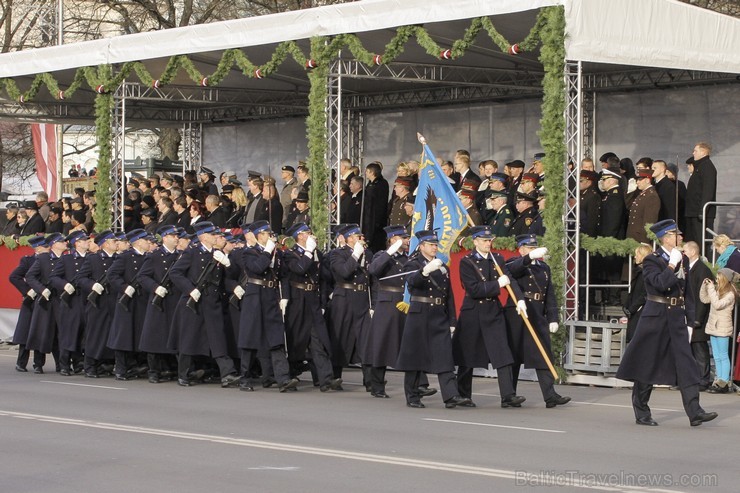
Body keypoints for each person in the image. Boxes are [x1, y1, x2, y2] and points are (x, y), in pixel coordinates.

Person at [616, 219, 717, 427]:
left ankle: (695, 411)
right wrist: (671, 264)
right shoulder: (652, 260)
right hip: (656, 316)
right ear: (666, 237)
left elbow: (687, 292)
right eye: (676, 235)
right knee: (647, 363)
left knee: (686, 364)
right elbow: (660, 284)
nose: (681, 238)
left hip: (676, 317)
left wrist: (691, 320)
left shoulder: (683, 259)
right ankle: (641, 410)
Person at [395, 230, 471, 409]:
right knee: (415, 356)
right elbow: (412, 283)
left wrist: (452, 320)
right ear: (421, 246)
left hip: (438, 314)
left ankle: (450, 395)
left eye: (435, 244)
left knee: (444, 355)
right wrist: (424, 271)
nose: (434, 247)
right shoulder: (412, 263)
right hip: (420, 313)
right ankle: (412, 395)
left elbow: (449, 295)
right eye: (430, 244)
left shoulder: (442, 266)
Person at [453, 226, 526, 408]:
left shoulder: (497, 259)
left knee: (503, 352)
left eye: (489, 240)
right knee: (467, 355)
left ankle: (508, 395)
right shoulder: (467, 261)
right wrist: (496, 284)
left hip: (493, 310)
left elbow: (510, 280)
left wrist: (520, 300)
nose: (488, 243)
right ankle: (463, 395)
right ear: (475, 241)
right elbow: (473, 289)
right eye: (484, 240)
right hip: (474, 311)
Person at [169, 221, 241, 388]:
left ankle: (227, 373)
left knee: (218, 338)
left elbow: (225, 278)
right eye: (212, 234)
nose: (216, 237)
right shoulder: (192, 252)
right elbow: (176, 273)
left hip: (212, 301)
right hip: (194, 301)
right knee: (189, 338)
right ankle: (184, 374)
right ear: (203, 236)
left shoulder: (217, 254)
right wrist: (190, 289)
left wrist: (228, 264)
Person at [506, 235, 571, 409]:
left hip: (537, 312)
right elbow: (511, 270)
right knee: (515, 354)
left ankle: (550, 395)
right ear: (521, 249)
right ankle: (510, 395)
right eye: (528, 247)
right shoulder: (514, 263)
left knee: (543, 353)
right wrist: (528, 258)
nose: (533, 249)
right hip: (519, 312)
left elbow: (549, 295)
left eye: (534, 247)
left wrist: (553, 318)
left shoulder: (544, 268)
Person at [235, 220, 299, 392]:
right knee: (249, 338)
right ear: (257, 236)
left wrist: (284, 296)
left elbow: (283, 275)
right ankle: (245, 377)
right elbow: (257, 267)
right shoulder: (249, 253)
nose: (269, 236)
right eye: (265, 234)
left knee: (276, 338)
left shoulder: (274, 253)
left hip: (270, 296)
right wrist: (268, 251)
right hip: (255, 296)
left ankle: (283, 378)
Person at [281, 223, 341, 392]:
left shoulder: (316, 253)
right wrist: (308, 252)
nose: (311, 235)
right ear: (299, 236)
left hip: (313, 299)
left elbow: (322, 279)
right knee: (296, 339)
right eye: (307, 233)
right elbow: (299, 269)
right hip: (297, 300)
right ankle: (290, 375)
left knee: (318, 339)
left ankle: (326, 379)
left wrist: (322, 302)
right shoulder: (290, 254)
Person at [137, 225, 181, 383]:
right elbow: (142, 277)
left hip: (174, 299)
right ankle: (154, 370)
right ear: (165, 238)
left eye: (177, 236)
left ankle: (173, 368)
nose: (176, 238)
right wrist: (155, 287)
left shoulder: (180, 256)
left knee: (173, 334)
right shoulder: (155, 256)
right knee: (154, 336)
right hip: (159, 301)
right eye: (173, 235)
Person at [328, 224, 371, 382]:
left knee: (365, 339)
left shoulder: (367, 253)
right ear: (346, 239)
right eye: (354, 236)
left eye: (359, 236)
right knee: (340, 336)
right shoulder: (337, 254)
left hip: (362, 298)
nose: (358, 239)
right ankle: (335, 376)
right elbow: (344, 271)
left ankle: (370, 380)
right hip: (344, 298)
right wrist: (356, 255)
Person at [107, 229, 151, 380]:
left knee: (139, 333)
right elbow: (112, 275)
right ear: (138, 241)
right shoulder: (125, 257)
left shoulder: (148, 257)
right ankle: (121, 368)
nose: (148, 243)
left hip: (142, 300)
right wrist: (124, 287)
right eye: (146, 240)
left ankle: (136, 366)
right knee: (123, 335)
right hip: (128, 301)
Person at [77, 230, 118, 378]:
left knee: (111, 333)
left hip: (114, 301)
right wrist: (92, 285)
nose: (117, 243)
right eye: (114, 241)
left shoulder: (118, 258)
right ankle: (90, 366)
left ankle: (106, 364)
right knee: (95, 335)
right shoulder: (93, 259)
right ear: (105, 243)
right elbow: (80, 278)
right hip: (98, 303)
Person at [50, 230, 90, 375]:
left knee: (84, 333)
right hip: (72, 301)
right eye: (84, 240)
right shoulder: (67, 260)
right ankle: (64, 364)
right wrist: (65, 285)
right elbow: (54, 277)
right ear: (77, 243)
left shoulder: (90, 258)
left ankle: (79, 363)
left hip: (86, 299)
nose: (88, 242)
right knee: (70, 333)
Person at [10, 235, 49, 372]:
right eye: (45, 246)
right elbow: (14, 276)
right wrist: (27, 291)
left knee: (40, 332)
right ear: (38, 247)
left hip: (44, 299)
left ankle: (38, 364)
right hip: (31, 301)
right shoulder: (28, 260)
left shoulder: (51, 259)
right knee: (25, 333)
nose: (47, 248)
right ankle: (21, 363)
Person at [700, 268, 738, 394]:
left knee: (723, 355)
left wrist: (711, 289)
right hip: (713, 326)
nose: (716, 280)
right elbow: (705, 299)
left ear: (723, 279)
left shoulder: (730, 294)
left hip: (723, 327)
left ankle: (724, 382)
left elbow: (717, 304)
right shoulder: (717, 290)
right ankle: (718, 380)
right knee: (716, 356)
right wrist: (704, 286)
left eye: (718, 277)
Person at [684, 241, 713, 390]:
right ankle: (691, 379)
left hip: (697, 317)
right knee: (690, 349)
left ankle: (703, 380)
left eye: (685, 252)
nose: (684, 254)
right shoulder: (689, 268)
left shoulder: (702, 270)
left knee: (700, 349)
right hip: (689, 315)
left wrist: (698, 319)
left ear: (693, 252)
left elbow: (703, 297)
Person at [684, 142, 717, 245]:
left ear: (703, 152)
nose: (693, 153)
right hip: (693, 212)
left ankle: (704, 260)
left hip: (701, 213)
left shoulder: (707, 167)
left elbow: (708, 190)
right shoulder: (699, 167)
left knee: (701, 242)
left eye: (695, 151)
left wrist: (702, 210)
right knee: (693, 242)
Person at [623, 243, 652, 343]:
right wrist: (627, 306)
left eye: (637, 254)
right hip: (635, 312)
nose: (635, 257)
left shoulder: (646, 273)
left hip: (639, 312)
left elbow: (644, 294)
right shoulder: (639, 272)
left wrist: (632, 308)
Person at [626, 169, 660, 244]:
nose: (637, 182)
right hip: (634, 236)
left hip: (640, 238)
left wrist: (645, 241)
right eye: (637, 180)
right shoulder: (643, 194)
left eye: (640, 179)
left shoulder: (651, 196)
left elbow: (649, 221)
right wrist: (630, 193)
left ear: (647, 180)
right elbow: (629, 206)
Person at [363, 161, 389, 253]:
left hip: (377, 220)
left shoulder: (382, 183)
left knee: (377, 243)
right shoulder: (370, 183)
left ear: (372, 172)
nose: (365, 173)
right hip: (369, 217)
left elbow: (380, 203)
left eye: (367, 171)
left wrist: (377, 220)